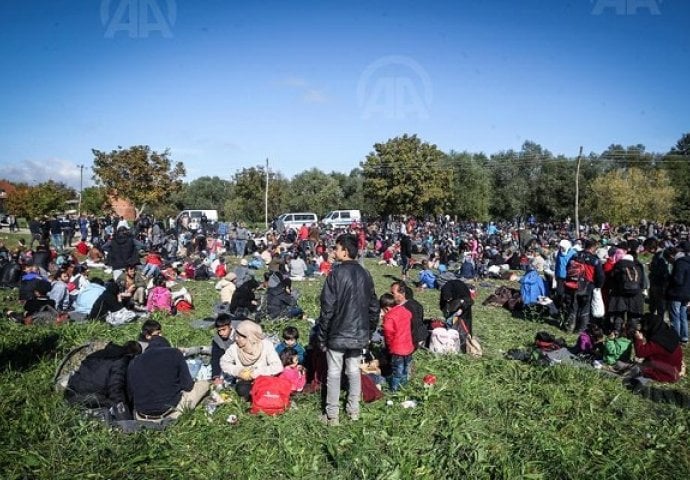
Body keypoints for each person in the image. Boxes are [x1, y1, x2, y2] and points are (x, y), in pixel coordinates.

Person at [316, 233, 379, 426]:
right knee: (353, 371)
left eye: (336, 248)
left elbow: (327, 309)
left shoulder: (335, 274)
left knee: (334, 373)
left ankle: (332, 415)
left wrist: (322, 335)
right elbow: (374, 307)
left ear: (344, 250)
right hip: (359, 333)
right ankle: (354, 411)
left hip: (337, 333)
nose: (333, 251)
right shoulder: (365, 274)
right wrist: (368, 331)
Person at [127, 334, 209, 422]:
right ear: (167, 345)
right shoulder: (174, 353)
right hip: (170, 413)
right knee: (204, 384)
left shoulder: (134, 362)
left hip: (141, 416)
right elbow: (188, 386)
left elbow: (131, 393)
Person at [65, 341, 142, 416]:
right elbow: (116, 387)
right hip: (90, 397)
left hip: (71, 393)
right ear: (134, 356)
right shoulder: (122, 360)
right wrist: (123, 411)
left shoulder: (99, 353)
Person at [219, 320, 283, 401]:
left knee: (271, 386)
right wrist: (237, 371)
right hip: (245, 381)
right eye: (236, 335)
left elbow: (278, 366)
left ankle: (259, 396)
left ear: (249, 337)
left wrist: (256, 373)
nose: (236, 338)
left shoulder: (266, 345)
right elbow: (224, 362)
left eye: (239, 337)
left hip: (263, 379)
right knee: (242, 389)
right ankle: (255, 396)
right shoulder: (234, 348)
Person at [632, 314, 683, 383]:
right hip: (675, 366)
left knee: (640, 368)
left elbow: (640, 353)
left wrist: (638, 339)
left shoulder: (658, 341)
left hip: (669, 373)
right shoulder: (670, 332)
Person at [380, 293, 414, 391]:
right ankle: (403, 386)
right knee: (405, 368)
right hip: (408, 346)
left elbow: (388, 333)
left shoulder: (389, 317)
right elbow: (410, 315)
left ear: (386, 308)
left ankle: (394, 389)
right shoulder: (404, 310)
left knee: (397, 371)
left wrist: (389, 347)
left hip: (397, 349)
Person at [665, 241, 690, 344]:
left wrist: (669, 278)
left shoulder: (680, 262)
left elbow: (678, 279)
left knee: (675, 315)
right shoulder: (687, 261)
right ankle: (684, 337)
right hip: (687, 292)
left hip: (677, 292)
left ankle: (675, 336)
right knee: (683, 315)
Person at [390, 281, 426, 350]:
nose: (391, 296)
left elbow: (414, 328)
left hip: (413, 340)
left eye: (393, 293)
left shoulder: (407, 309)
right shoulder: (413, 304)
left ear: (402, 293)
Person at [211, 314, 235, 386]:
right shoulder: (217, 340)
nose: (221, 333)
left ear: (230, 326)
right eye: (219, 331)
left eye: (224, 329)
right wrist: (216, 376)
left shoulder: (239, 334)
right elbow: (215, 357)